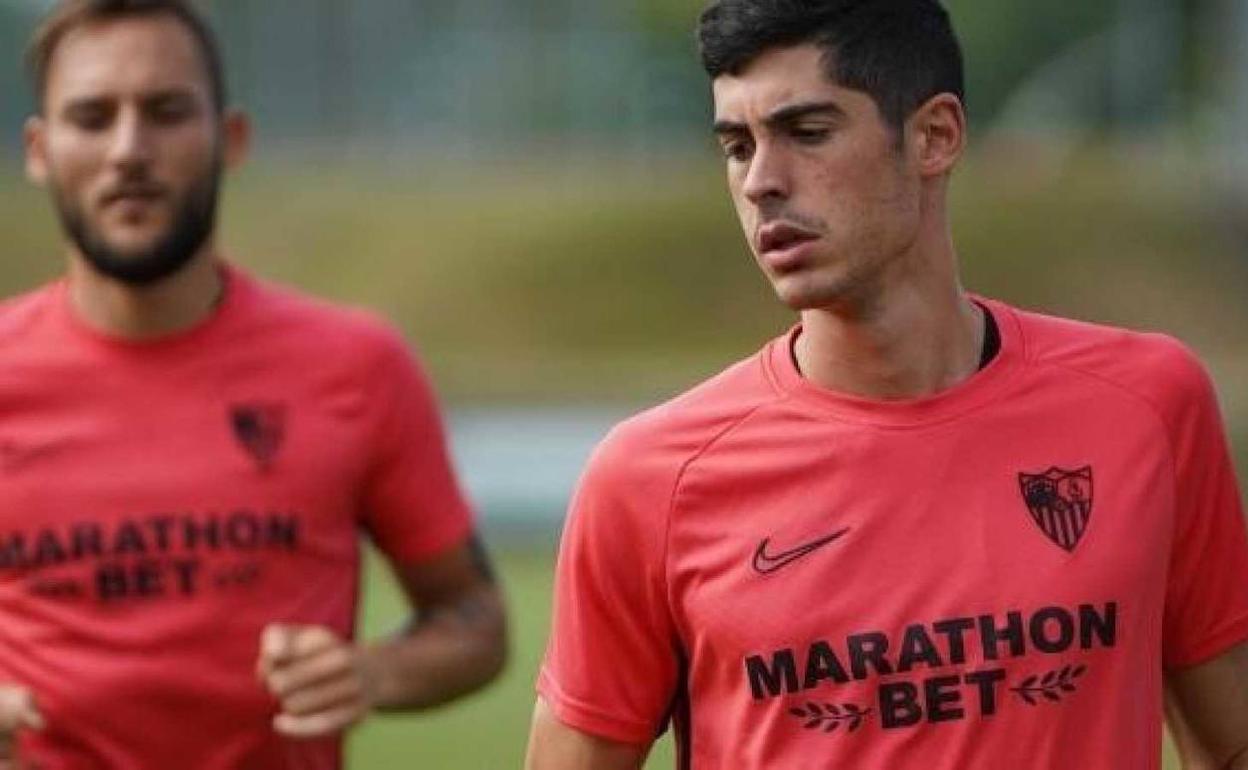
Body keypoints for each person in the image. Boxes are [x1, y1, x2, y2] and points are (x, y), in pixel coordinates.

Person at [525, 1, 1248, 768]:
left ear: (935, 136)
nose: (762, 181)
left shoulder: (1147, 403)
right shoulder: (650, 480)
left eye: (807, 133)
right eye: (737, 146)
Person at [0, 0, 506, 767]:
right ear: (39, 150)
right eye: (92, 117)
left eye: (166, 112)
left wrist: (371, 672)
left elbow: (474, 616)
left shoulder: (355, 364)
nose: (129, 150)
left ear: (228, 138)